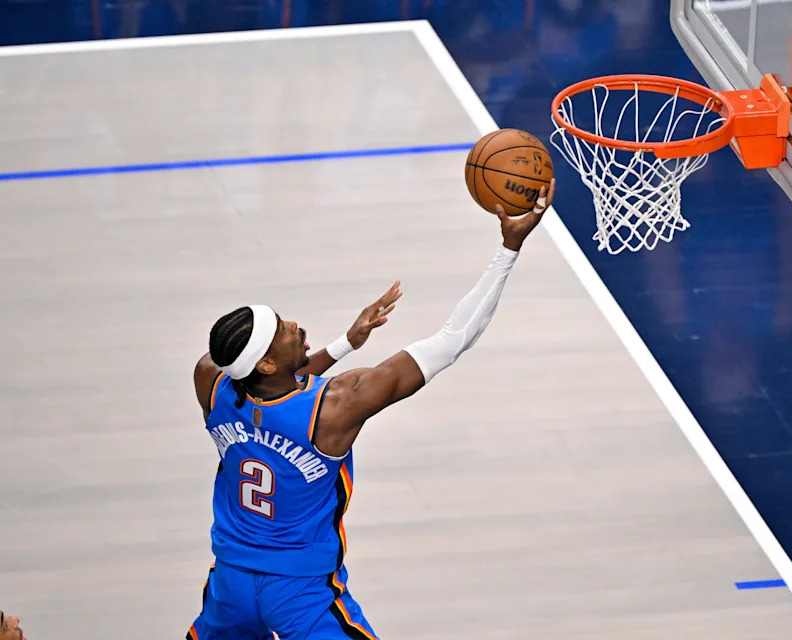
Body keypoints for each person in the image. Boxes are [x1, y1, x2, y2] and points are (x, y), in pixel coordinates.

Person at [186, 181, 555, 640]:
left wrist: (343, 344)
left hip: (230, 585)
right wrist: (509, 249)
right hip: (300, 592)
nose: (295, 325)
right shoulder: (336, 406)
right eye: (283, 330)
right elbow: (452, 340)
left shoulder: (212, 382)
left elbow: (270, 387)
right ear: (264, 361)